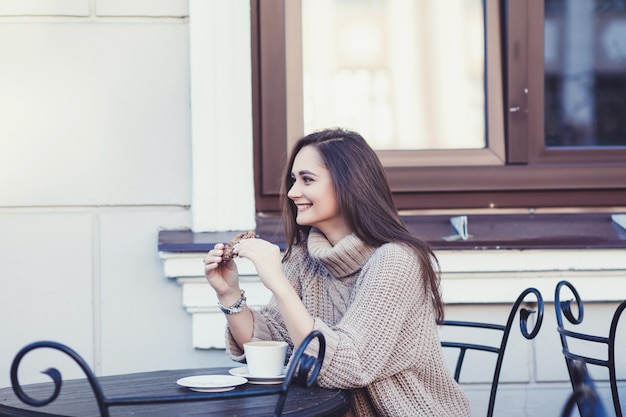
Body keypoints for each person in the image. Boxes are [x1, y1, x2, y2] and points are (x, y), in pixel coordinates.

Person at [203, 128, 471, 416]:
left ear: (349, 185)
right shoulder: (305, 258)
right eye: (294, 180)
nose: (293, 192)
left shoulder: (396, 261)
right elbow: (271, 344)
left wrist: (278, 283)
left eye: (307, 179)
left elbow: (348, 365)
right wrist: (229, 294)